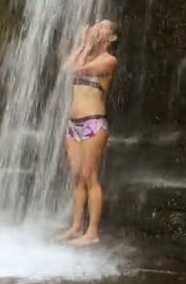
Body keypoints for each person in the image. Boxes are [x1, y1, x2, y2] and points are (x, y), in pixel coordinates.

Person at [57, 20, 119, 246]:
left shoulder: (109, 60)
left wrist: (86, 46)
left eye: (103, 27)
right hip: (73, 125)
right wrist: (84, 45)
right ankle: (76, 226)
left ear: (111, 38)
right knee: (77, 176)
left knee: (90, 176)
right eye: (96, 25)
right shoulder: (86, 54)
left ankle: (92, 232)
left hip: (94, 123)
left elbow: (79, 70)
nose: (97, 28)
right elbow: (66, 68)